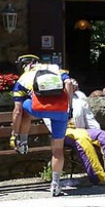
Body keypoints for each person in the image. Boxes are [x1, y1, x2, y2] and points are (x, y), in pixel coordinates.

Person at [12, 54, 76, 196]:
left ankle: (22, 142)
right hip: (61, 111)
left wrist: (13, 134)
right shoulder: (55, 69)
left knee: (23, 108)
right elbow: (70, 84)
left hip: (38, 109)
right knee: (57, 149)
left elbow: (17, 112)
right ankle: (55, 184)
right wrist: (69, 107)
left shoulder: (23, 79)